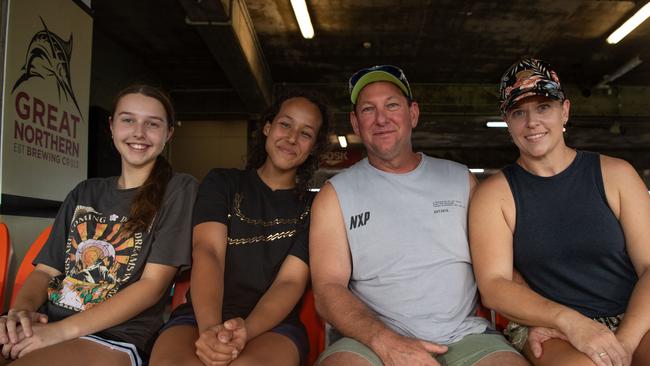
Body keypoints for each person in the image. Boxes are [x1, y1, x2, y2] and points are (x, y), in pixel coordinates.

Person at [310, 65, 526, 366]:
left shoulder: (460, 179)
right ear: (355, 123)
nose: (381, 118)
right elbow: (327, 289)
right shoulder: (335, 195)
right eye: (368, 109)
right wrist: (386, 342)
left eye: (392, 105)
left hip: (464, 336)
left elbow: (498, 267)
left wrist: (538, 321)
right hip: (370, 341)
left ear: (413, 114)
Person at [469, 57, 650, 366]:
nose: (532, 122)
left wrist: (624, 345)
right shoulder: (494, 195)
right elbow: (494, 287)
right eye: (518, 112)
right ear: (507, 122)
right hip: (549, 326)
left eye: (543, 107)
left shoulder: (616, 174)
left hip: (631, 314)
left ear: (564, 110)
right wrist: (569, 321)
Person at [0, 84, 198, 365]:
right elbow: (45, 271)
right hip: (48, 323)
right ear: (112, 126)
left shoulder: (180, 190)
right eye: (128, 120)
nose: (139, 132)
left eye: (152, 124)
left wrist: (57, 333)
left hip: (114, 337)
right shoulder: (85, 192)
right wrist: (19, 313)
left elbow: (152, 286)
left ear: (168, 133)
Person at [150, 90, 330, 366]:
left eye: (306, 133)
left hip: (273, 325)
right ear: (268, 127)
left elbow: (290, 281)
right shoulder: (223, 182)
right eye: (285, 124)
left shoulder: (315, 206)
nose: (292, 138)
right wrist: (211, 329)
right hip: (200, 314)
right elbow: (208, 252)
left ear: (314, 147)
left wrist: (246, 331)